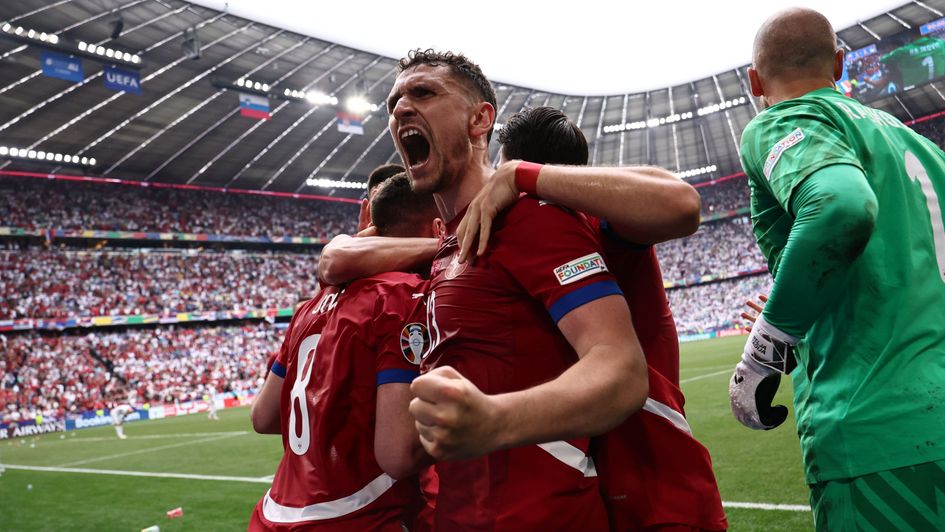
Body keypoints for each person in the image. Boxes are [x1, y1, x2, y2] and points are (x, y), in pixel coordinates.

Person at [387, 48, 647, 530]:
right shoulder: (446, 250)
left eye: (423, 93)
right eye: (394, 100)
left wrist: (495, 420)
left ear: (480, 119)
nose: (401, 108)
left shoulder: (531, 217)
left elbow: (621, 368)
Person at [457, 105, 726, 531]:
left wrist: (519, 175)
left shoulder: (595, 224)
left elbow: (682, 202)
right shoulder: (527, 239)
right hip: (593, 488)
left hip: (655, 485)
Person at [730, 8, 945, 530]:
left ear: (755, 81)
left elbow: (839, 207)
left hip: (881, 434)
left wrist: (769, 341)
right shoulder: (918, 144)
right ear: (841, 65)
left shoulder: (780, 121)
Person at [248, 174, 439, 531]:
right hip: (355, 515)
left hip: (273, 514)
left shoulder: (312, 304)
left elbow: (264, 417)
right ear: (437, 227)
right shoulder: (404, 297)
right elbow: (397, 455)